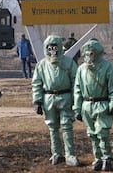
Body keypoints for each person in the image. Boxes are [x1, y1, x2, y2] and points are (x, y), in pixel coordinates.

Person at [73, 39, 113, 171]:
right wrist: (77, 108)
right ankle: (98, 158)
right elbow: (78, 89)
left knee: (102, 133)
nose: (89, 56)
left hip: (102, 104)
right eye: (87, 53)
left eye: (92, 53)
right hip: (87, 105)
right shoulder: (81, 69)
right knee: (92, 134)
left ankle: (107, 157)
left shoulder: (108, 67)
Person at [32, 35, 80, 166]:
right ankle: (56, 153)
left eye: (55, 47)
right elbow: (37, 83)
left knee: (67, 126)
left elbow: (76, 82)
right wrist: (37, 101)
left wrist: (76, 100)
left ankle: (70, 154)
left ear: (60, 47)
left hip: (65, 97)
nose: (52, 50)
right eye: (49, 47)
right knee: (52, 127)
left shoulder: (69, 63)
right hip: (48, 98)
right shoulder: (42, 65)